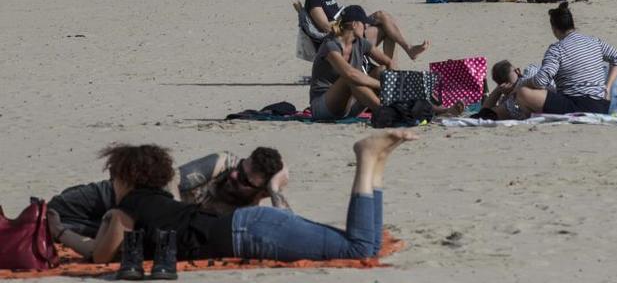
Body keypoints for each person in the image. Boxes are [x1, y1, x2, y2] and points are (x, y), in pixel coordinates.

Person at [49, 133, 417, 264]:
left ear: (126, 177)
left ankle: (368, 158)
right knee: (360, 245)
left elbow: (99, 253)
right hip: (252, 228)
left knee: (359, 249)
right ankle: (377, 165)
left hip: (250, 233)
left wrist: (60, 232)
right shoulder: (155, 202)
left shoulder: (126, 209)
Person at [47, 147, 288, 239]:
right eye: (240, 169)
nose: (235, 176)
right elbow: (173, 177)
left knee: (66, 229)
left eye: (245, 180)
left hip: (145, 229)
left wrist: (275, 190)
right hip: (127, 195)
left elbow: (289, 227)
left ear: (262, 192)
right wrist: (174, 213)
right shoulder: (223, 164)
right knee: (56, 208)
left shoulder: (248, 210)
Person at [302, 0, 429, 60]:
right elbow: (326, 27)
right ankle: (395, 66)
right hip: (341, 38)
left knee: (382, 15)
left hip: (347, 28)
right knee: (387, 30)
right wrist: (349, 22)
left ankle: (400, 60)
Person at [310, 5, 397, 120]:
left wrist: (394, 85)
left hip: (351, 103)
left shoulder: (361, 42)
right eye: (363, 23)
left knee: (381, 71)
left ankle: (394, 106)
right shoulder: (330, 45)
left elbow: (388, 62)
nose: (366, 27)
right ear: (354, 24)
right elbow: (350, 74)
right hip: (323, 107)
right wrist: (380, 85)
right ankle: (385, 111)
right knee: (349, 77)